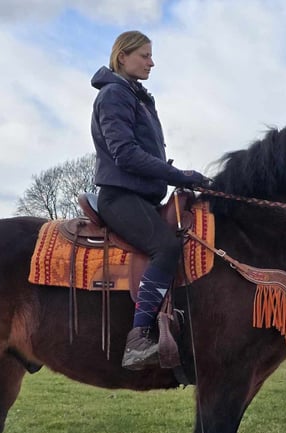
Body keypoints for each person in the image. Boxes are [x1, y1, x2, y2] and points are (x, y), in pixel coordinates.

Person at [91, 30, 213, 371]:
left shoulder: (136, 96)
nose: (151, 62)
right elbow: (125, 154)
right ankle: (138, 338)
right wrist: (179, 175)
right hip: (121, 198)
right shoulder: (115, 94)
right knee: (166, 247)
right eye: (144, 55)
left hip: (142, 197)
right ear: (122, 57)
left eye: (150, 55)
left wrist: (175, 176)